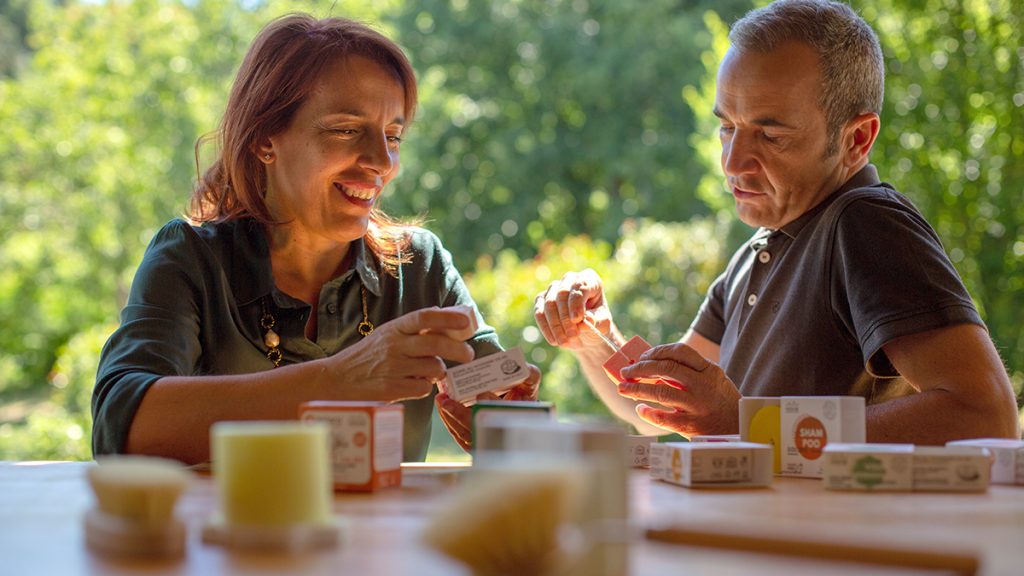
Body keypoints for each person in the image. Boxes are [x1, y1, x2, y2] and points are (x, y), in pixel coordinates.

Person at [534, 0, 1019, 444]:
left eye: (769, 134)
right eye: (727, 127)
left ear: (857, 139)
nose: (732, 161)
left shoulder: (865, 222)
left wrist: (746, 423)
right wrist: (594, 337)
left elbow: (984, 415)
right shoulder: (756, 252)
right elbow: (654, 411)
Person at [92, 14, 539, 465]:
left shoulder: (420, 266)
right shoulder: (190, 257)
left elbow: (502, 408)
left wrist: (502, 416)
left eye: (393, 136)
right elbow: (120, 428)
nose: (382, 161)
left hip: (383, 538)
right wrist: (342, 378)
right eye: (346, 129)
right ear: (265, 138)